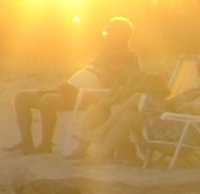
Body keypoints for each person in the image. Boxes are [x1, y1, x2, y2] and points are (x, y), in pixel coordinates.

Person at [15, 17, 144, 154]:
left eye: (110, 32)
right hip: (74, 90)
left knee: (48, 100)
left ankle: (45, 144)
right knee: (22, 97)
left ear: (122, 35)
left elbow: (122, 84)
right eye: (107, 33)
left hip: (90, 95)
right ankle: (26, 143)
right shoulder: (105, 51)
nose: (106, 36)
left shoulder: (128, 56)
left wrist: (106, 69)